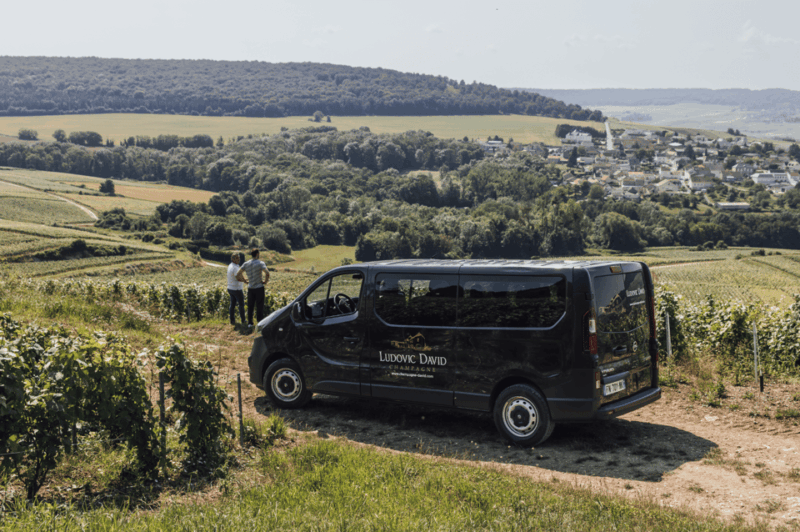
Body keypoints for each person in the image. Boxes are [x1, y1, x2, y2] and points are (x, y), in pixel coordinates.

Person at [236, 248, 269, 328]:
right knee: (259, 306)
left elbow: (238, 274)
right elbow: (267, 273)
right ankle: (259, 323)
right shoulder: (261, 263)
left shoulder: (246, 264)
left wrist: (244, 281)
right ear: (257, 254)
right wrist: (265, 281)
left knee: (250, 305)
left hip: (250, 288)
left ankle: (250, 323)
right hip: (259, 287)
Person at [226, 252, 246, 326]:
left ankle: (232, 320)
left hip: (230, 288)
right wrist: (245, 281)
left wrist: (244, 280)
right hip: (236, 289)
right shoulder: (235, 267)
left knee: (232, 305)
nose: (239, 259)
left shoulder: (230, 265)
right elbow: (238, 277)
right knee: (241, 305)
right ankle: (243, 320)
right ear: (233, 259)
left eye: (239, 258)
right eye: (237, 258)